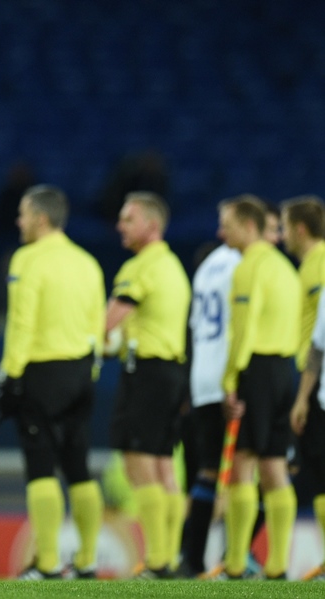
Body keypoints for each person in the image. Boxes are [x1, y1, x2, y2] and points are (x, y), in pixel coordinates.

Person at [0, 185, 105, 580]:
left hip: (41, 372)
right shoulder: (89, 263)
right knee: (78, 466)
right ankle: (89, 560)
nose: (18, 221)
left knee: (41, 467)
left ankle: (48, 563)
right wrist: (90, 371)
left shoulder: (27, 259)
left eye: (23, 214)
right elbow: (98, 325)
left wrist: (9, 375)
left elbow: (21, 323)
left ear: (41, 219)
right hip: (80, 373)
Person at [106, 191, 191, 579]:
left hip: (146, 373)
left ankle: (156, 561)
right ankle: (170, 557)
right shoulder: (173, 267)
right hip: (173, 372)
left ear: (151, 225)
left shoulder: (139, 267)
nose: (120, 225)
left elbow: (108, 324)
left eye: (128, 219)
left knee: (138, 462)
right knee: (163, 467)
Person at [215, 195, 299, 580]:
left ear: (249, 226)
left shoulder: (248, 267)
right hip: (285, 370)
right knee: (275, 468)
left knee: (243, 467)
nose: (221, 232)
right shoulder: (285, 267)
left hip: (258, 370)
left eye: (227, 224)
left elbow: (242, 331)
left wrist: (231, 380)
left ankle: (234, 565)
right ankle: (278, 566)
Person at [179, 237, 242, 577]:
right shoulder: (244, 269)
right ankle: (238, 558)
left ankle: (190, 557)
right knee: (257, 471)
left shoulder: (202, 280)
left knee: (205, 472)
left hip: (200, 386)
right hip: (232, 383)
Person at [282, 195, 325, 582]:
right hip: (311, 381)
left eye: (283, 226)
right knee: (314, 473)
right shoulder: (308, 267)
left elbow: (320, 337)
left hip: (319, 384)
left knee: (316, 469)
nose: (280, 235)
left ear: (299, 228)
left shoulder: (321, 264)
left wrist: (303, 396)